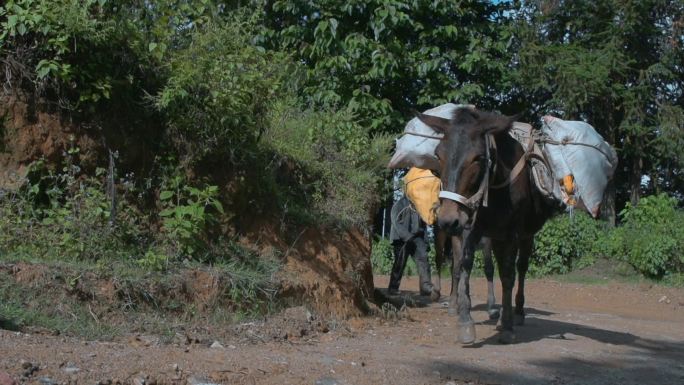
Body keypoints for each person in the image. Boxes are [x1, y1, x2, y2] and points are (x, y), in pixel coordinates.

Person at [388, 195, 434, 296]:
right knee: (399, 263)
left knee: (424, 259)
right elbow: (395, 221)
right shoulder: (399, 204)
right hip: (401, 238)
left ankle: (425, 287)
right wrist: (406, 236)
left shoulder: (420, 205)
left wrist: (425, 242)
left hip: (417, 238)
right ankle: (393, 288)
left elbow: (424, 225)